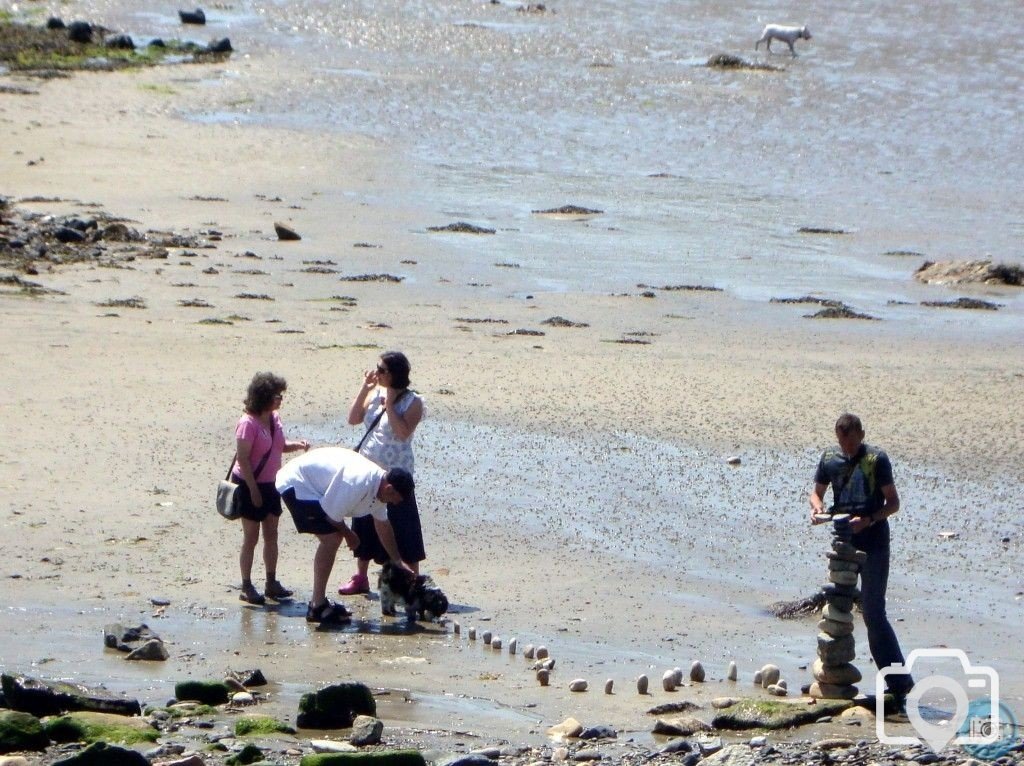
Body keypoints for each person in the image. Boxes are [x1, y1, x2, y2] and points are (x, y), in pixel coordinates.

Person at [809, 413, 913, 699]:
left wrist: (868, 519)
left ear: (862, 435)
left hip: (874, 541)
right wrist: (817, 509)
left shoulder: (877, 459)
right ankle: (833, 675)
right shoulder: (829, 458)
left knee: (873, 612)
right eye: (844, 444)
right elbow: (816, 493)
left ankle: (900, 683)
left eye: (853, 443)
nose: (848, 449)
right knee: (837, 608)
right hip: (844, 540)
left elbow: (893, 503)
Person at [276, 446, 415, 624]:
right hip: (298, 484)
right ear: (389, 489)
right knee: (332, 539)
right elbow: (331, 515)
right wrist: (350, 535)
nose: (396, 504)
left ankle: (318, 602)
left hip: (317, 488)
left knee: (333, 537)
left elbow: (383, 524)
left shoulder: (380, 488)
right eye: (397, 499)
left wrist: (397, 561)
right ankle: (317, 606)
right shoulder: (358, 482)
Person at [337, 351, 426, 596]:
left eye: (382, 370)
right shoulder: (374, 395)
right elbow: (353, 419)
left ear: (395, 374)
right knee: (365, 522)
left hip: (396, 474)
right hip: (368, 472)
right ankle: (361, 576)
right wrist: (365, 390)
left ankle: (413, 578)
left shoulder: (414, 402)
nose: (377, 373)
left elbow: (402, 432)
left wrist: (389, 405)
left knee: (403, 525)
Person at [232, 372, 310, 605]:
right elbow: (243, 459)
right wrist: (254, 490)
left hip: (271, 484)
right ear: (264, 396)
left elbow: (277, 447)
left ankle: (271, 582)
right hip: (249, 483)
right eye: (277, 395)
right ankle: (246, 585)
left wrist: (295, 445)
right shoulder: (248, 423)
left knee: (271, 534)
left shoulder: (274, 419)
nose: (280, 399)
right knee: (251, 537)